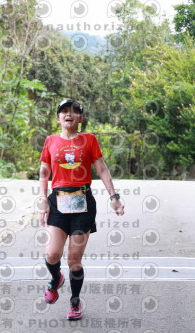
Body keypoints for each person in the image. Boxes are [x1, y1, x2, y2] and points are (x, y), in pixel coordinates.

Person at [38, 99, 124, 321]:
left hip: (82, 204)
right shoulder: (50, 141)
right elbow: (44, 171)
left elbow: (102, 169)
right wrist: (42, 199)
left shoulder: (89, 140)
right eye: (64, 112)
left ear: (80, 118)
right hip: (57, 202)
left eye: (74, 112)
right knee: (52, 254)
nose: (69, 114)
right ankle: (55, 279)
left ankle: (75, 301)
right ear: (58, 118)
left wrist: (114, 197)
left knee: (74, 260)